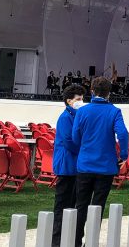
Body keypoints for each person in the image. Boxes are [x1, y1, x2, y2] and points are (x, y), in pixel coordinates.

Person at [72, 76, 129, 247]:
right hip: (105, 166)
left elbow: (75, 137)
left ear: (91, 91)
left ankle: (76, 241)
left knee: (81, 204)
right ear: (109, 93)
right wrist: (124, 155)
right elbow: (123, 134)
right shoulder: (114, 111)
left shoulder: (82, 111)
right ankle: (91, 241)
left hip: (85, 164)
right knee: (98, 205)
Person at [52, 84, 85, 247]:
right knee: (62, 206)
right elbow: (69, 142)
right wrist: (85, 150)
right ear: (69, 101)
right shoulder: (65, 118)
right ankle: (56, 242)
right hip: (66, 166)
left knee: (73, 206)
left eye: (82, 99)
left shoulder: (78, 116)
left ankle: (71, 240)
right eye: (78, 99)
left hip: (76, 166)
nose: (81, 102)